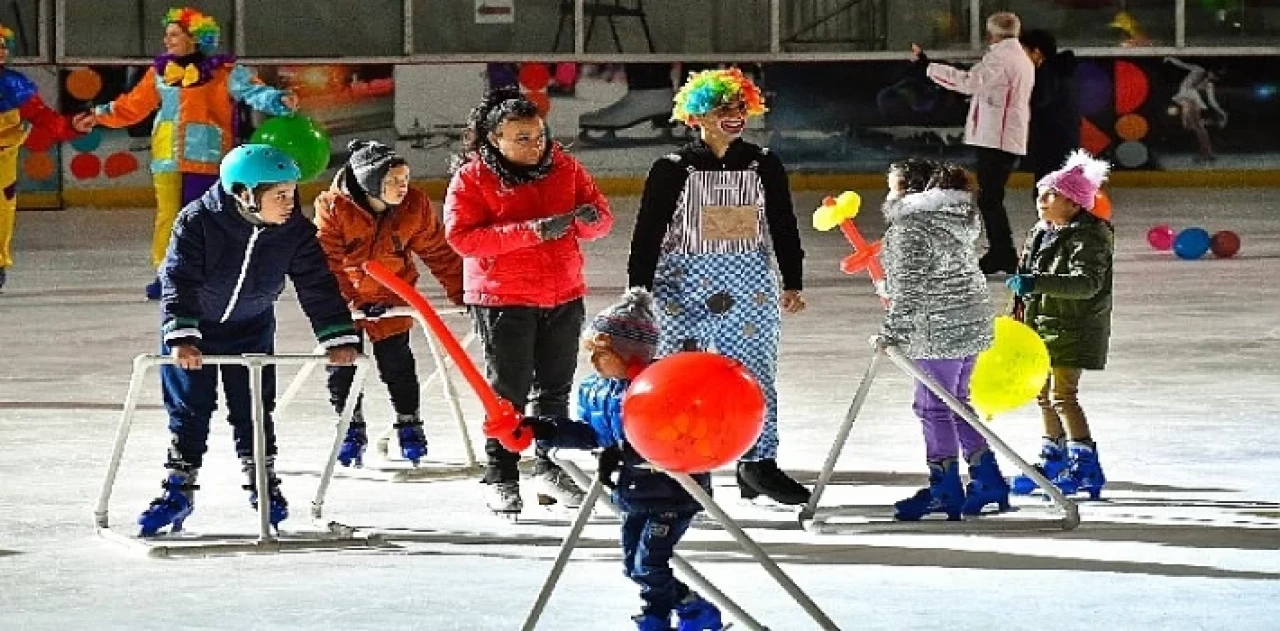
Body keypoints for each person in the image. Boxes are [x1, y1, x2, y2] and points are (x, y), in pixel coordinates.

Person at [138, 144, 360, 537]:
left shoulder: (294, 231)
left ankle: (263, 479)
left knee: (255, 408)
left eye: (291, 193)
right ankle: (178, 488)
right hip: (195, 329)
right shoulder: (198, 221)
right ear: (244, 193)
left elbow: (317, 284)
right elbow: (178, 279)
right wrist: (182, 335)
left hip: (251, 328)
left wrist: (337, 336)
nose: (289, 203)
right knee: (190, 408)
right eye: (279, 195)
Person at [484, 289, 725, 631]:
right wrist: (541, 428)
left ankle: (657, 617)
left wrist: (624, 453)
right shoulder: (599, 390)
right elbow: (590, 434)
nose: (594, 361)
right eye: (592, 352)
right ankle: (692, 608)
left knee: (649, 564)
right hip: (632, 494)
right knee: (633, 567)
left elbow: (672, 439)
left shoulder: (659, 391)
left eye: (603, 354)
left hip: (671, 494)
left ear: (631, 354)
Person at [628, 67, 810, 506]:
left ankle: (758, 462)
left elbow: (783, 223)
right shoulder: (673, 168)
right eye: (723, 107)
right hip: (681, 287)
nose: (734, 115)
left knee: (755, 372)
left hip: (749, 284)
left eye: (740, 106)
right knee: (678, 375)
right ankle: (683, 462)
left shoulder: (763, 163)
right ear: (698, 116)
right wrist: (639, 290)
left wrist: (792, 280)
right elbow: (648, 231)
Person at [444, 87, 614, 517]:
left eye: (539, 135)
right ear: (494, 139)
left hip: (564, 292)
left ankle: (549, 467)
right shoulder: (472, 178)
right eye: (522, 138)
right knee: (508, 391)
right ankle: (500, 474)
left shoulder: (565, 167)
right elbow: (463, 239)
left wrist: (591, 220)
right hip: (503, 297)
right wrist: (533, 231)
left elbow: (600, 219)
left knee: (554, 388)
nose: (536, 144)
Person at [72, 7, 299, 300]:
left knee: (205, 219)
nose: (167, 41)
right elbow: (133, 105)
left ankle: (208, 275)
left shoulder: (224, 72)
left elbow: (255, 92)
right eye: (167, 35)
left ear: (194, 38)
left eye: (174, 35)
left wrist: (280, 100)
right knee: (169, 217)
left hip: (209, 157)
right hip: (167, 157)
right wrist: (98, 115)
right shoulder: (160, 73)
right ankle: (168, 274)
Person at [314, 140, 464, 468]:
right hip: (345, 302)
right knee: (343, 364)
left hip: (392, 296)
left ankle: (409, 423)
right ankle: (350, 427)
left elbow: (438, 251)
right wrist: (350, 302)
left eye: (405, 178)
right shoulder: (333, 207)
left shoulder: (414, 206)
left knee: (398, 364)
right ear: (370, 182)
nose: (402, 186)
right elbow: (327, 264)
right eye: (393, 180)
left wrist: (462, 292)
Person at [877, 160, 1007, 521]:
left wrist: (892, 332)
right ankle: (988, 479)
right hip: (970, 323)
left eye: (893, 187)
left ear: (909, 190)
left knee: (933, 407)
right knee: (957, 402)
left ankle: (944, 488)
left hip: (938, 330)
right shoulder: (956, 219)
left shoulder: (910, 228)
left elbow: (910, 289)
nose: (888, 195)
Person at [1005, 150, 1114, 500]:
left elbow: (1087, 284)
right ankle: (1053, 458)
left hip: (1073, 327)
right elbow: (1025, 281)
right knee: (1042, 395)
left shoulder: (1089, 237)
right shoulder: (1041, 232)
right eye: (1040, 194)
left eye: (1051, 195)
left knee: (1063, 395)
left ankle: (1085, 466)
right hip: (1040, 325)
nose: (1041, 200)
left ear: (1074, 203)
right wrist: (1017, 317)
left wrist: (1037, 283)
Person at [913, 11, 1035, 275]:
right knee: (991, 197)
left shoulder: (1001, 58)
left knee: (990, 198)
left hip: (997, 138)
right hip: (1003, 136)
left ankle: (1004, 253)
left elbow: (969, 83)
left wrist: (928, 67)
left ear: (992, 34)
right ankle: (1002, 251)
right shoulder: (1017, 57)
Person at [0, 23, 82, 290]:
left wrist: (72, 126)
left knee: (2, 212)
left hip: (3, 161)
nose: (1, 51)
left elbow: (45, 118)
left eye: (4, 46)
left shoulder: (14, 85)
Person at [1019, 29, 1080, 202]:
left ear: (1036, 52)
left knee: (1048, 192)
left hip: (1051, 140)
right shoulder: (1060, 70)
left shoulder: (1047, 73)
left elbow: (1039, 100)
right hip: (1062, 138)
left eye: (1023, 50)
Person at [1165, 57, 1227, 162]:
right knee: (1188, 126)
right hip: (1185, 100)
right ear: (1210, 71)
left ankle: (1207, 153)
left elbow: (1212, 101)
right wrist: (1171, 59)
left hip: (1192, 101)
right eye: (1214, 74)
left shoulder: (1209, 84)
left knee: (1198, 127)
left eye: (1216, 77)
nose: (1214, 77)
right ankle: (1212, 124)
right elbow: (1182, 64)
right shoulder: (1198, 70)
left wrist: (1222, 112)